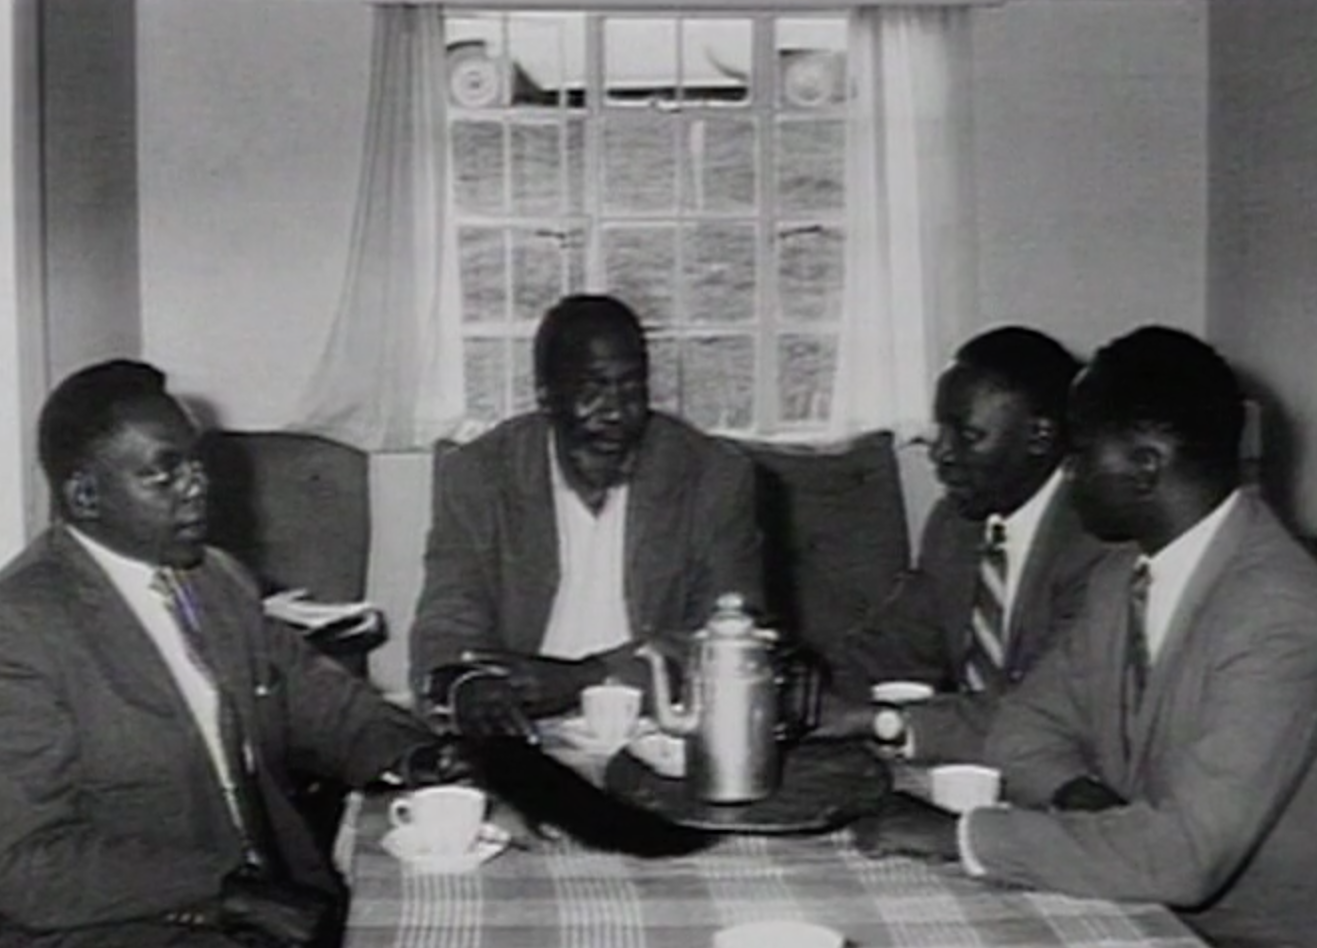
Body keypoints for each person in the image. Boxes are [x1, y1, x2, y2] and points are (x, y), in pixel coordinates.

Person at [856, 326, 1317, 948]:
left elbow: (1185, 856)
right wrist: (1095, 809)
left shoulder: (1279, 613)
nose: (1066, 475)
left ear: (1146, 466)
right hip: (1129, 895)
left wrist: (960, 834)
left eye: (1080, 453)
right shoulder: (1124, 573)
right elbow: (1022, 730)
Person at [0, 360, 462, 948]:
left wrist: (416, 755)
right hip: (128, 925)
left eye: (195, 463)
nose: (199, 485)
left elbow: (316, 699)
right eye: (164, 475)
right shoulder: (20, 628)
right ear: (85, 496)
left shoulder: (216, 579)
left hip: (269, 899)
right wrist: (228, 894)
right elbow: (23, 861)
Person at [410, 294, 763, 736]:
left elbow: (730, 639)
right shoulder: (479, 475)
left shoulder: (712, 475)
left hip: (662, 728)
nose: (616, 411)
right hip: (521, 730)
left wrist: (586, 678)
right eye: (592, 389)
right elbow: (447, 622)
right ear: (546, 395)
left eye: (632, 387)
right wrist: (467, 685)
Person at [821, 326, 1105, 762]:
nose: (941, 454)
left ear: (1040, 438)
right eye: (941, 430)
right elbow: (894, 644)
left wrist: (880, 721)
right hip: (965, 765)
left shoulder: (1098, 545)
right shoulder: (955, 524)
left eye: (968, 436)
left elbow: (1045, 711)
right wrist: (801, 689)